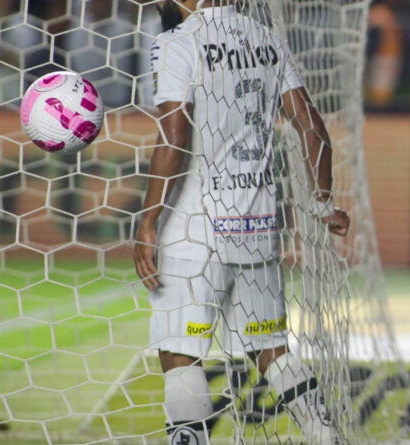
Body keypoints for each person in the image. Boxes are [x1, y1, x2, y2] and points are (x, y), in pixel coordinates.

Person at [134, 1, 350, 444]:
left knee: (181, 355)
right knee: (271, 351)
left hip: (193, 230)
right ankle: (324, 434)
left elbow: (174, 133)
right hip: (256, 225)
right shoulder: (266, 39)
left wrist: (148, 220)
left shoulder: (177, 42)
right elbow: (312, 129)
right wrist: (324, 204)